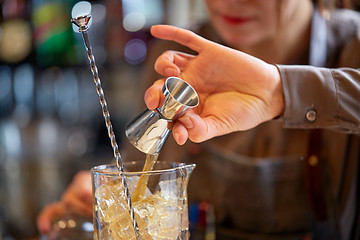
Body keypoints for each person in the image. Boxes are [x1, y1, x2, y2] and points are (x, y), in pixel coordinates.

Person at [37, 0, 360, 239]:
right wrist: (105, 197)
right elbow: (142, 178)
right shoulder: (175, 58)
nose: (227, 3)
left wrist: (281, 91)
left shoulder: (352, 46)